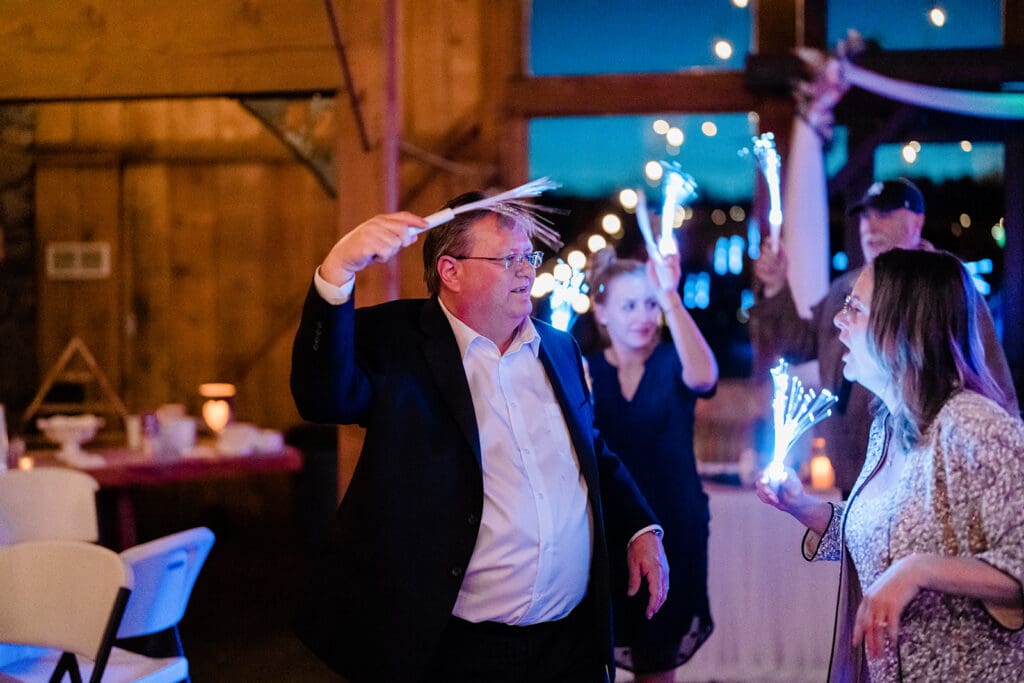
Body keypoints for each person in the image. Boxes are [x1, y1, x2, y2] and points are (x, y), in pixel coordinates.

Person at [290, 191, 670, 683]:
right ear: (451, 271)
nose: (528, 271)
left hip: (570, 643)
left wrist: (640, 527)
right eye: (507, 258)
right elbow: (323, 397)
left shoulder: (558, 347)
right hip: (456, 649)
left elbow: (590, 450)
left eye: (528, 255)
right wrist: (338, 269)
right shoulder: (400, 340)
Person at [757, 248, 1024, 682]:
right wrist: (801, 505)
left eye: (855, 309)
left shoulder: (972, 424)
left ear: (902, 327)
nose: (839, 322)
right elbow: (885, 533)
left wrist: (918, 570)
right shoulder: (887, 424)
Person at [750, 178, 1018, 495]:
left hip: (924, 484)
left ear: (917, 221)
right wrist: (776, 286)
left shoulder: (944, 291)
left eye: (885, 214)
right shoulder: (845, 290)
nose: (870, 225)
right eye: (865, 215)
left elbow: (992, 384)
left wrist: (1000, 464)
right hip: (854, 482)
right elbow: (796, 345)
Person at [585, 247, 718, 683]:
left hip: (673, 530)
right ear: (600, 313)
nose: (644, 315)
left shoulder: (672, 361)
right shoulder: (584, 369)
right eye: (629, 305)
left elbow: (705, 377)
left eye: (649, 303)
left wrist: (672, 298)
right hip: (602, 533)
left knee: (657, 664)